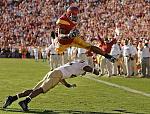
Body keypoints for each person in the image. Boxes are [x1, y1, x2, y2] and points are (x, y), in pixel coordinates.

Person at [3, 60, 99, 111]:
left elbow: (63, 76)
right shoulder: (84, 65)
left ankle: (12, 98)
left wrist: (67, 85)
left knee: (34, 90)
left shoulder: (76, 64)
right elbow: (88, 68)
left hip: (54, 73)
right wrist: (96, 71)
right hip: (57, 74)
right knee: (41, 90)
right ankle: (25, 102)